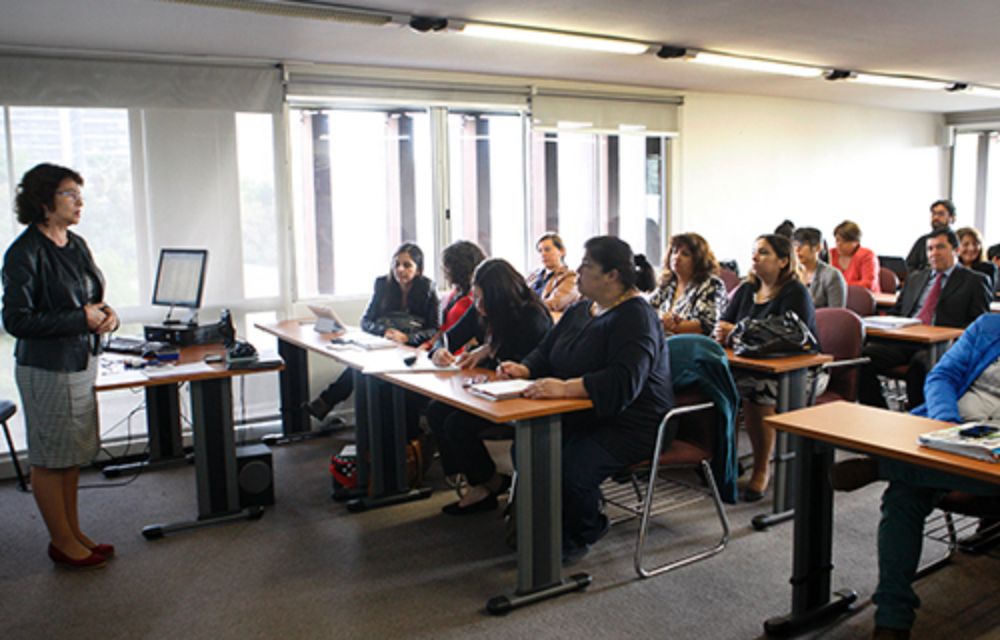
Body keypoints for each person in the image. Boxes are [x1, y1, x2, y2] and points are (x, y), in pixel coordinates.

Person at [497, 236, 672, 563]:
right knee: (526, 448)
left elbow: (623, 382)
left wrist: (564, 388)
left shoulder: (636, 316)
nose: (577, 269)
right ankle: (548, 524)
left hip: (632, 423)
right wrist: (525, 368)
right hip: (584, 412)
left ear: (612, 275)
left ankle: (586, 528)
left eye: (587, 265)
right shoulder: (581, 309)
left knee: (569, 469)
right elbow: (546, 351)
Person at [829, 314, 1000, 639]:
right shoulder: (989, 327)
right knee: (905, 495)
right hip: (952, 432)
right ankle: (892, 621)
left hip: (995, 452)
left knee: (904, 487)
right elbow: (942, 376)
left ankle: (882, 467)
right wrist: (947, 424)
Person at [2, 163, 120, 569]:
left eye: (78, 193)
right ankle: (61, 540)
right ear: (43, 202)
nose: (79, 201)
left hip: (79, 360)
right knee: (50, 457)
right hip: (46, 368)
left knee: (68, 455)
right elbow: (16, 321)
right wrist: (79, 319)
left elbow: (90, 298)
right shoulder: (24, 252)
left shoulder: (76, 243)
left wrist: (108, 316)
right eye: (70, 193)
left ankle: (73, 533)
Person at [426, 259, 552, 514]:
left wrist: (488, 350)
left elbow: (526, 365)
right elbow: (448, 338)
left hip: (524, 398)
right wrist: (440, 352)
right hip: (489, 390)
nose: (479, 306)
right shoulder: (481, 308)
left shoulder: (531, 316)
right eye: (476, 297)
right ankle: (486, 482)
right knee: (436, 411)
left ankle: (485, 485)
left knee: (456, 424)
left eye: (484, 300)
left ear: (502, 298)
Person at [713, 234, 821, 502]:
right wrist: (729, 332)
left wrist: (737, 332)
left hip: (800, 374)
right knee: (714, 384)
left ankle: (762, 468)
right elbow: (723, 325)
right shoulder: (746, 290)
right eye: (754, 252)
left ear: (784, 261)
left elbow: (791, 338)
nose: (754, 258)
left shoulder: (795, 293)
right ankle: (723, 461)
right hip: (751, 367)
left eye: (763, 252)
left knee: (755, 390)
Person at [858, 227, 991, 410]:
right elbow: (898, 311)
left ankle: (920, 416)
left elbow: (979, 324)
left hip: (941, 346)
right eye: (930, 249)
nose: (934, 253)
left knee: (920, 367)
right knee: (862, 359)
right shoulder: (916, 278)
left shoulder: (975, 281)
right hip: (906, 341)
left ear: (956, 250)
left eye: (940, 247)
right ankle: (879, 411)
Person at [306, 243, 439, 421]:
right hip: (383, 343)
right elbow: (366, 321)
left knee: (361, 369)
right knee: (358, 365)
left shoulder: (428, 288)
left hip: (411, 347)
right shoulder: (383, 284)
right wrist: (385, 331)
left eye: (407, 265)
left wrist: (408, 337)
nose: (400, 269)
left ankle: (326, 401)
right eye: (396, 264)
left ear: (419, 269)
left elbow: (435, 329)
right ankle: (328, 402)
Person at [647, 232, 728, 335]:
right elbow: (647, 310)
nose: (677, 257)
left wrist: (669, 325)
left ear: (698, 260)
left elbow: (706, 325)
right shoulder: (668, 284)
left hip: (694, 346)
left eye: (685, 254)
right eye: (674, 252)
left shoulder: (712, 284)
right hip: (663, 342)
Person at [423, 240, 486, 349]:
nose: (444, 272)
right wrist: (426, 346)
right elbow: (444, 332)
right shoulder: (454, 294)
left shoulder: (475, 299)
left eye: (446, 267)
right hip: (445, 352)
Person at [793, 226, 847, 308]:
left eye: (803, 245)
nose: (797, 249)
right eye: (795, 245)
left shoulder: (832, 276)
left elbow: (836, 314)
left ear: (818, 247)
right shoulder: (791, 274)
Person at [525, 232, 579, 312]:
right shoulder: (534, 275)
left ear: (562, 251)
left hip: (547, 320)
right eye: (540, 251)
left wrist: (523, 308)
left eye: (547, 250)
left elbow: (555, 303)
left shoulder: (570, 277)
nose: (543, 254)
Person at [905, 199, 956, 274]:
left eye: (940, 214)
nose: (936, 218)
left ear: (952, 218)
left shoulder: (958, 240)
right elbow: (909, 265)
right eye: (933, 214)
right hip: (924, 281)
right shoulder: (923, 240)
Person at [830, 220, 881, 292]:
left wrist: (838, 285)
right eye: (837, 240)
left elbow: (868, 284)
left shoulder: (867, 256)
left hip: (864, 299)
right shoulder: (831, 254)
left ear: (856, 241)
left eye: (844, 241)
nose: (839, 244)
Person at [955, 226, 998, 291]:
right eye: (966, 244)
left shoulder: (989, 268)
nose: (971, 248)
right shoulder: (948, 268)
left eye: (975, 244)